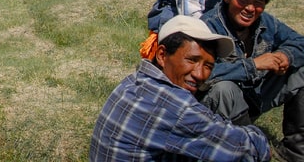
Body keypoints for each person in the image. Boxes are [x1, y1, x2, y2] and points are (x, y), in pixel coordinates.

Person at [91, 15, 270, 161]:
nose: (200, 74)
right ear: (162, 55)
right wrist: (255, 135)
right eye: (192, 60)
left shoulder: (133, 81)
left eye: (208, 66)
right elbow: (248, 149)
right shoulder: (176, 107)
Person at [201, 0, 304, 161]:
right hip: (218, 108)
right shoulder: (207, 27)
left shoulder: (266, 22)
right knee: (224, 88)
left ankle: (295, 151)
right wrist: (254, 64)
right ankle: (245, 150)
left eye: (258, 1)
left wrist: (285, 55)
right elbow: (202, 74)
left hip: (253, 96)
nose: (250, 8)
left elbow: (299, 42)